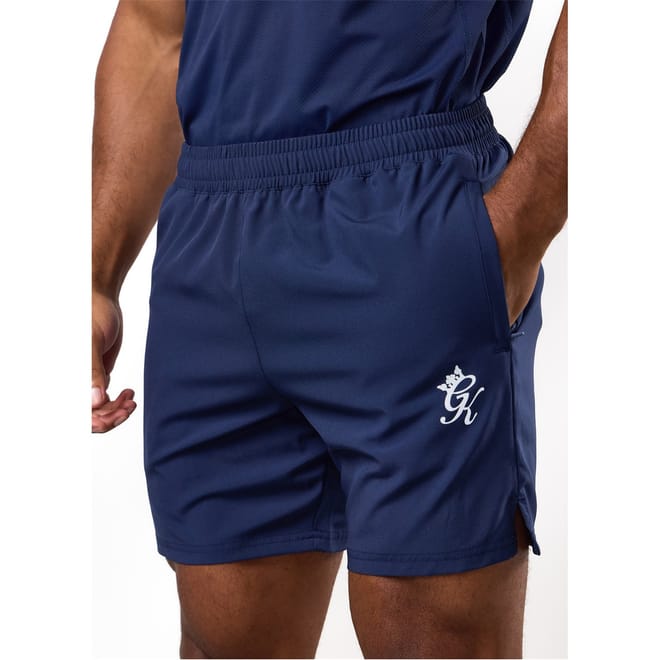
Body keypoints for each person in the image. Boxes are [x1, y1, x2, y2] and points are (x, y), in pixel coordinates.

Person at [92, 0, 567, 657]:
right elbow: (155, 26)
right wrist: (97, 272)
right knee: (221, 641)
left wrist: (526, 216)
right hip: (211, 240)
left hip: (408, 208)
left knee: (435, 641)